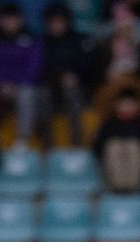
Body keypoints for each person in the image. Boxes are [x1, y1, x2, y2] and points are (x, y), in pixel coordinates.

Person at [0, 4, 44, 147]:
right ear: (0, 21)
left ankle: (23, 141)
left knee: (27, 94)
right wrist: (0, 83)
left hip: (20, 86)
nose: (9, 23)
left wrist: (15, 83)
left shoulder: (31, 39)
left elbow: (33, 67)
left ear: (20, 21)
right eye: (6, 19)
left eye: (13, 19)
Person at [38, 3, 94, 148]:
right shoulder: (42, 42)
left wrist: (75, 77)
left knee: (73, 95)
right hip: (50, 87)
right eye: (52, 22)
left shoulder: (80, 40)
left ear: (67, 21)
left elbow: (90, 66)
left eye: (59, 21)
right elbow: (37, 69)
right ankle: (47, 146)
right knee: (42, 96)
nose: (56, 25)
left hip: (78, 87)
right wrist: (57, 77)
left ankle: (77, 144)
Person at [95, 87, 140, 193]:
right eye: (123, 103)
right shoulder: (109, 125)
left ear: (138, 105)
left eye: (130, 103)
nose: (126, 107)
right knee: (114, 146)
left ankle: (132, 186)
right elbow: (98, 146)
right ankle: (118, 186)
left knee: (134, 147)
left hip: (139, 176)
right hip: (113, 175)